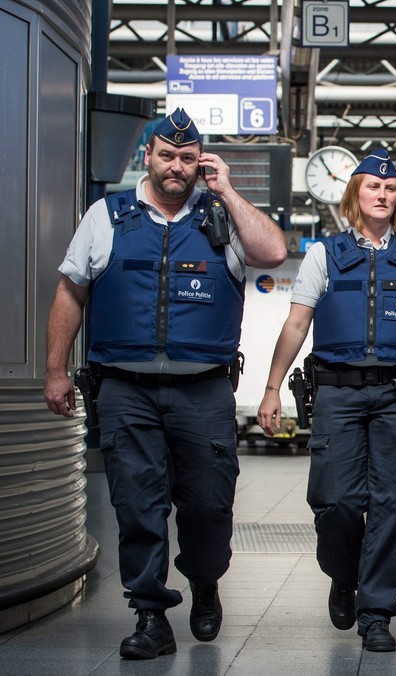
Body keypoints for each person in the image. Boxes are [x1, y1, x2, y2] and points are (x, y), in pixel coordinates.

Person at [43, 108, 287, 659]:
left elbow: (273, 251)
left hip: (203, 391)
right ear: (147, 157)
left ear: (200, 162)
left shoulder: (220, 218)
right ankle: (150, 614)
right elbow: (70, 292)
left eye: (187, 158)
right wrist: (55, 370)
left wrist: (227, 190)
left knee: (206, 505)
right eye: (166, 155)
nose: (176, 166)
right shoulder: (106, 216)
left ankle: (204, 580)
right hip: (125, 389)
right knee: (138, 505)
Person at [255, 149, 396, 652]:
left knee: (395, 502)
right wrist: (271, 388)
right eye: (373, 186)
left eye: (391, 188)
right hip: (338, 392)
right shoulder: (323, 255)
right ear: (356, 194)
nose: (383, 194)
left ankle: (376, 611)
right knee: (335, 499)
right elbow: (296, 323)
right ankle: (342, 572)